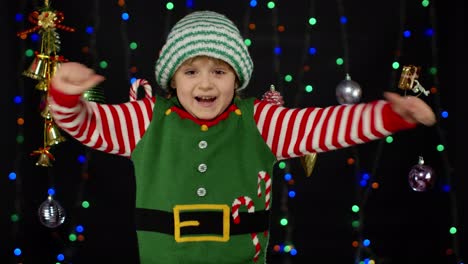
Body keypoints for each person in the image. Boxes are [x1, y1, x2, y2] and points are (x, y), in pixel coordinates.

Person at [48, 10, 436, 264]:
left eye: (219, 71)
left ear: (237, 79)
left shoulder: (262, 122)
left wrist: (389, 116)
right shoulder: (147, 119)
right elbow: (86, 125)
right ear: (172, 79)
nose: (205, 83)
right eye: (191, 71)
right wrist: (65, 96)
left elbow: (326, 127)